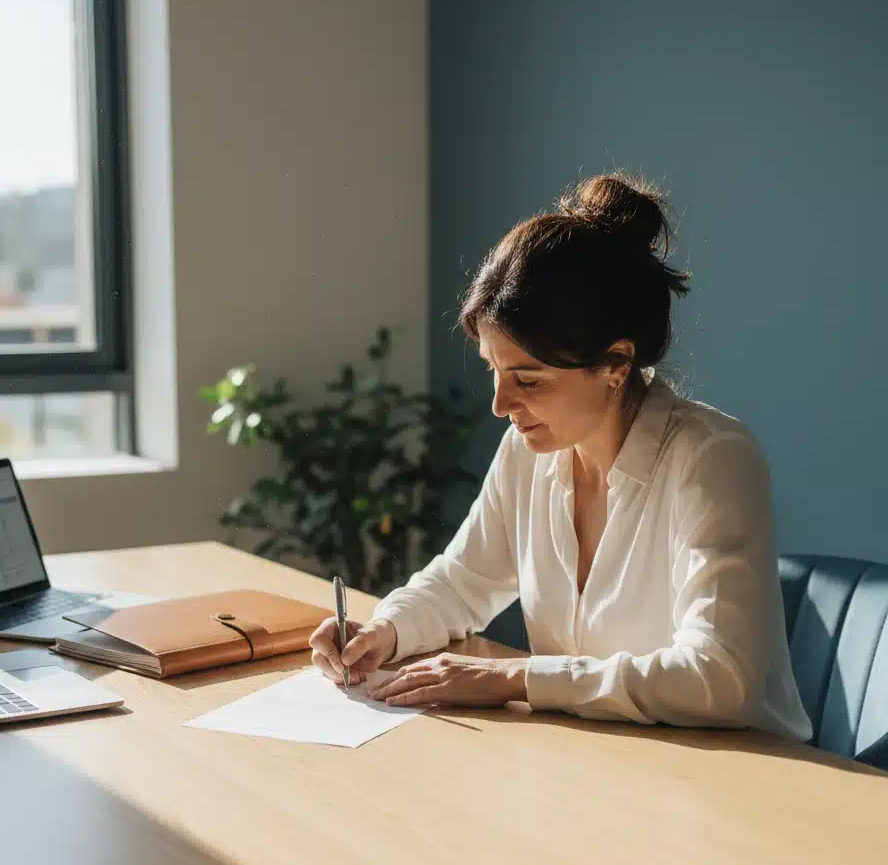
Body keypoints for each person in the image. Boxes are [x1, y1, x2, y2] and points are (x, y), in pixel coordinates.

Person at [309, 172, 811, 741]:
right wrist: (384, 631)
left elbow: (719, 678)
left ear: (615, 365)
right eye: (494, 371)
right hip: (600, 761)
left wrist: (514, 678)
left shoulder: (712, 460)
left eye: (529, 380)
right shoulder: (529, 452)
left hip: (736, 778)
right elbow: (463, 580)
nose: (501, 405)